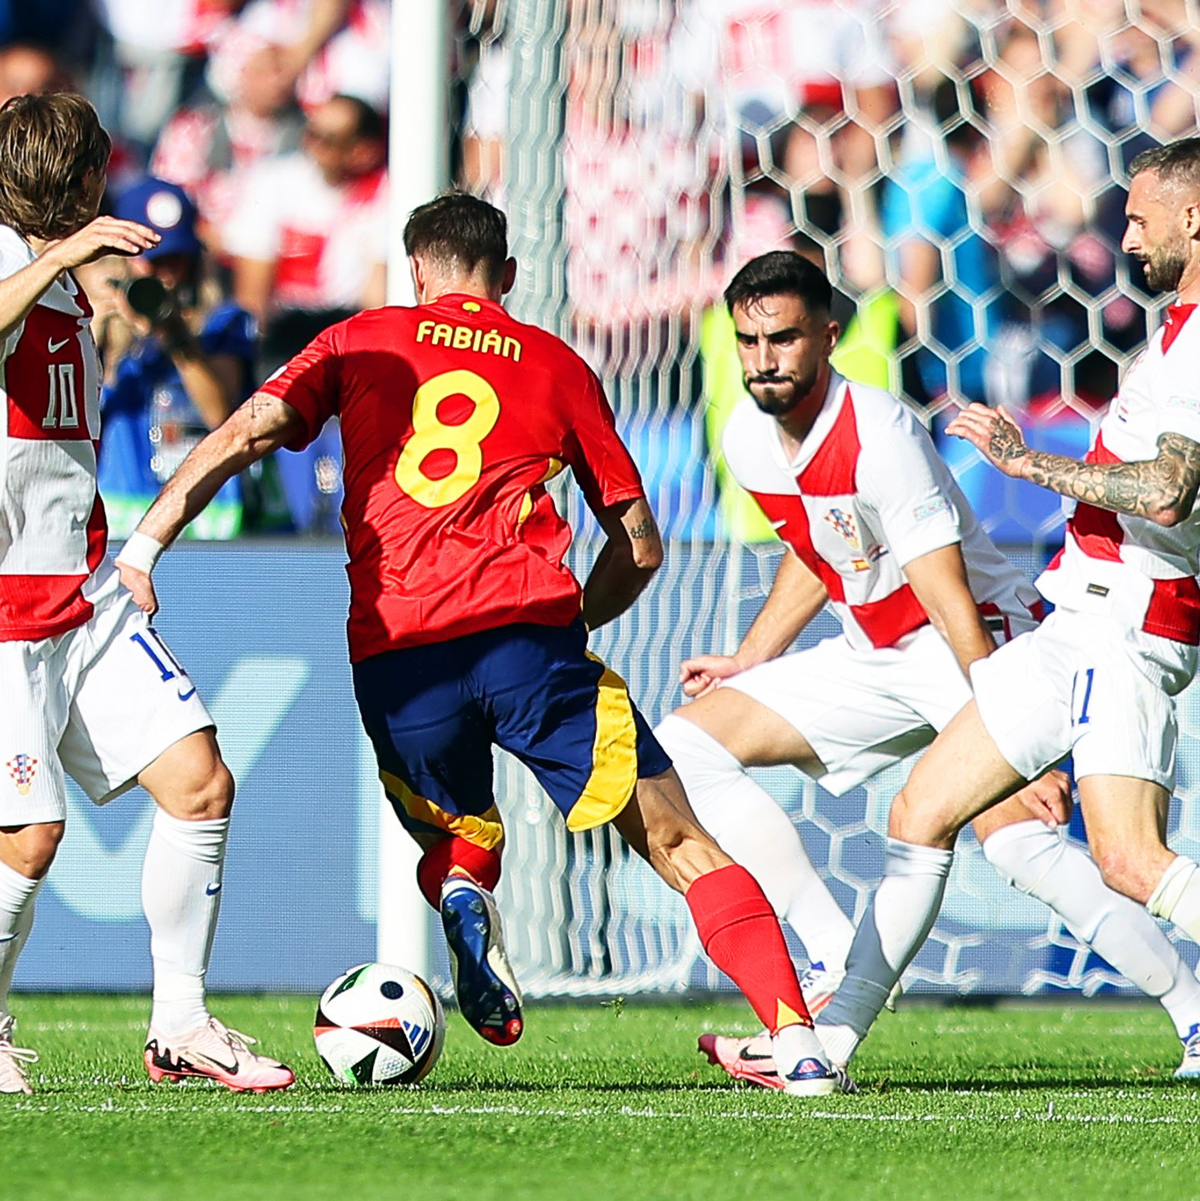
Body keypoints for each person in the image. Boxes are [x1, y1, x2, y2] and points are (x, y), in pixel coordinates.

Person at [116, 191, 852, 1098]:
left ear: (416, 271)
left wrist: (147, 542)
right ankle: (797, 1041)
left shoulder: (357, 340)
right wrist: (575, 619)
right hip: (526, 640)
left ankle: (465, 897)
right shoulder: (555, 363)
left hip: (399, 656)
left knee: (458, 830)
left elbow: (246, 428)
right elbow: (644, 544)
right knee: (680, 840)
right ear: (506, 277)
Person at [654, 250, 1200, 1089]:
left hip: (968, 638)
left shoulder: (880, 432)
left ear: (828, 338)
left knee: (1019, 842)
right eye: (750, 341)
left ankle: (1190, 1008)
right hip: (872, 651)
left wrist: (1010, 720)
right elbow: (821, 551)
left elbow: (944, 590)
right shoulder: (746, 439)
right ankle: (838, 960)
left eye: (784, 339)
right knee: (684, 750)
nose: (764, 359)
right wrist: (751, 658)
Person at [813, 138, 1200, 1073]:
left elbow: (1170, 491)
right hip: (1078, 618)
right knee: (919, 810)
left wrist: (1029, 463)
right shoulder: (1177, 333)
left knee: (1131, 861)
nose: (1128, 230)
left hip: (1130, 620)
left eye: (1143, 214)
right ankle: (822, 1045)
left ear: (1196, 216)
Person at [0, 92, 292, 1095]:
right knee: (30, 838)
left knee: (199, 781)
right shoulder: (13, 257)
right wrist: (53, 259)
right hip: (5, 608)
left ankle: (182, 1022)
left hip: (81, 584)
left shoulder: (80, 277)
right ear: (86, 182)